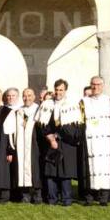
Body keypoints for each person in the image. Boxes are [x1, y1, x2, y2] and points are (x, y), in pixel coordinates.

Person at [37, 79, 81, 207]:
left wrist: (58, 135)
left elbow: (74, 127)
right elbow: (41, 125)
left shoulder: (72, 104)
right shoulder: (47, 104)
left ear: (65, 90)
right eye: (56, 89)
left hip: (66, 143)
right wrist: (50, 138)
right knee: (51, 173)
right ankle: (52, 199)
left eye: (61, 90)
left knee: (65, 173)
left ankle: (67, 199)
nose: (58, 92)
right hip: (50, 143)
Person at [78, 76, 110, 206]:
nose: (95, 87)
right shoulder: (83, 101)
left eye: (98, 84)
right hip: (89, 140)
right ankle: (89, 197)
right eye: (93, 84)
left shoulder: (109, 101)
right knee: (89, 168)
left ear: (103, 86)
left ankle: (104, 198)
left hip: (105, 141)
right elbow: (80, 121)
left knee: (105, 167)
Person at [5, 88, 42, 203]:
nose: (27, 98)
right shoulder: (18, 112)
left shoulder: (39, 110)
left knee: (35, 170)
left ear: (34, 97)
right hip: (20, 146)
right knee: (21, 169)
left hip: (34, 145)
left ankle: (37, 195)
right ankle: (25, 195)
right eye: (25, 96)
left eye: (29, 95)